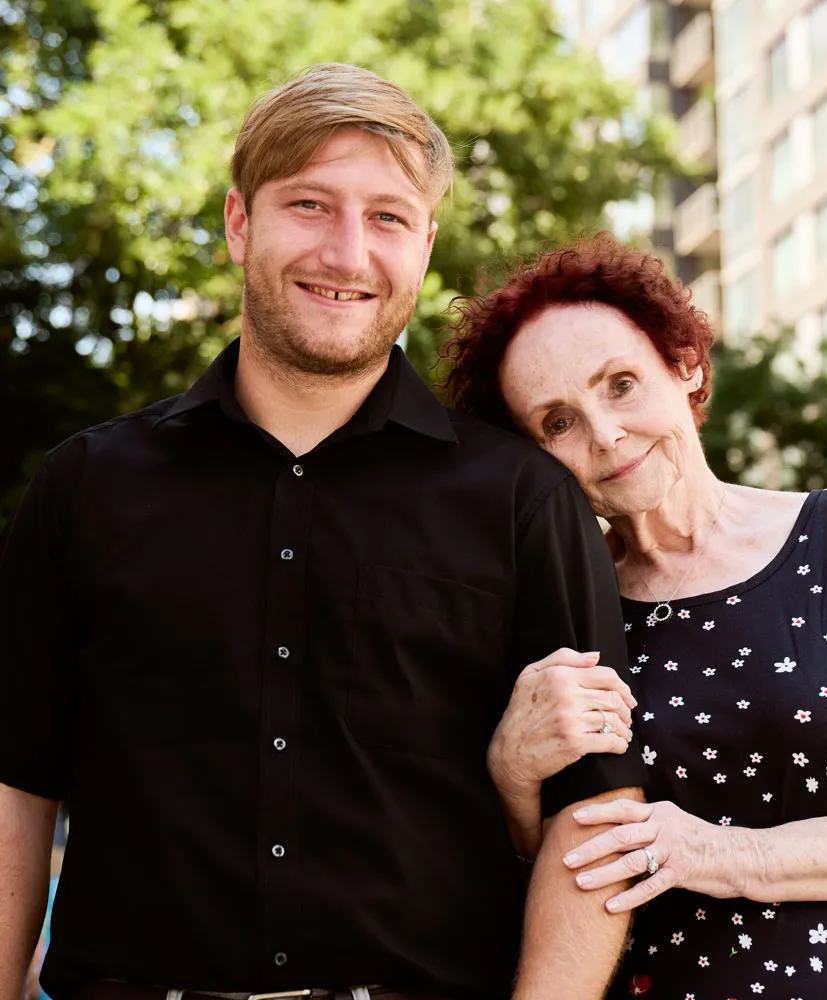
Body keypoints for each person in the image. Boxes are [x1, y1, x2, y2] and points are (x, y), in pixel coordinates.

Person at [0, 67, 648, 1000]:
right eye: (310, 204)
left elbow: (596, 810)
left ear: (424, 246)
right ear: (238, 223)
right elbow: (17, 782)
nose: (348, 254)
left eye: (387, 217)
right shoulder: (86, 486)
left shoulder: (521, 498)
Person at [442, 232, 827, 999]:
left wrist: (720, 855)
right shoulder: (558, 619)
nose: (606, 434)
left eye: (621, 384)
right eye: (559, 422)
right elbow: (548, 889)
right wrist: (510, 778)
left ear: (686, 366)